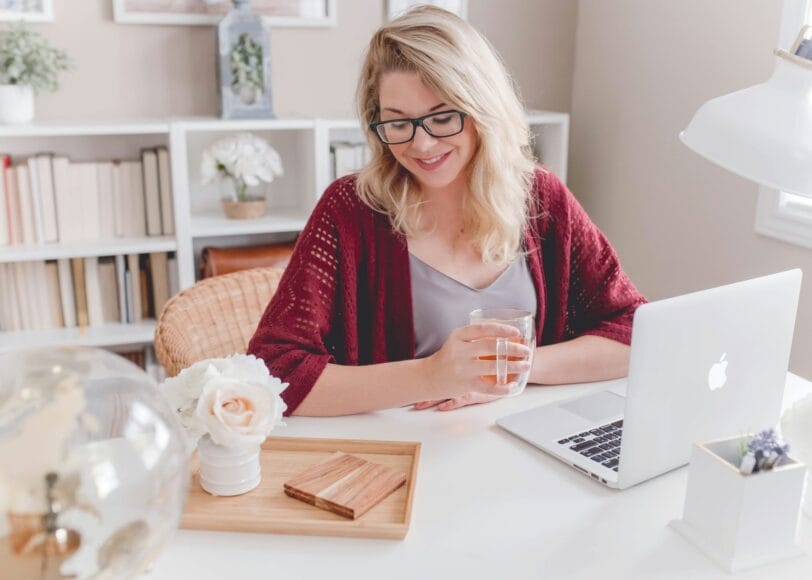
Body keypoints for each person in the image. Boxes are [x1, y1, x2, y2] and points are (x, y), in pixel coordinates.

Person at [247, 6, 646, 416]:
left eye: (442, 117)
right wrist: (432, 375)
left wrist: (511, 370)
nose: (421, 145)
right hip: (400, 456)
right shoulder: (350, 211)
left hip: (520, 445)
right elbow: (274, 372)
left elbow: (636, 331)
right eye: (398, 122)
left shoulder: (542, 199)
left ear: (482, 110)